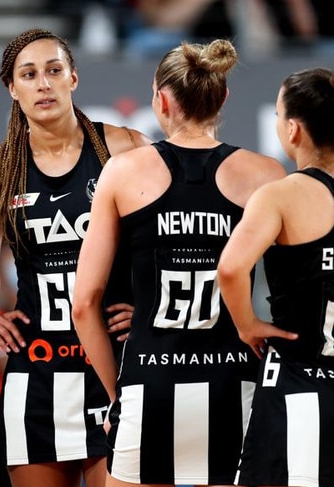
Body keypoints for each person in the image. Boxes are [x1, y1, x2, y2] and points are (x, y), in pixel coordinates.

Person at [71, 38, 286, 487]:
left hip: (151, 380)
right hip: (236, 381)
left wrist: (117, 394)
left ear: (160, 100)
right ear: (222, 97)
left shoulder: (123, 172)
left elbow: (84, 303)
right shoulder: (266, 174)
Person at [0, 28, 151, 487]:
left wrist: (149, 305)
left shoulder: (124, 148)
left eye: (53, 70)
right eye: (29, 74)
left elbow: (162, 242)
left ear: (73, 78)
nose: (43, 83)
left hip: (117, 365)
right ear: (12, 88)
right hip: (37, 371)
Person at [217, 67, 334, 487]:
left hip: (299, 379)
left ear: (292, 128)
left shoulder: (283, 193)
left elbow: (230, 268)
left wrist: (248, 325)